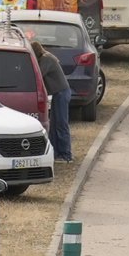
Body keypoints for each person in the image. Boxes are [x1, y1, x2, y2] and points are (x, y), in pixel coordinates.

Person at [29, 32, 72, 163]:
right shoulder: (47, 57)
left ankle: (65, 154)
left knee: (61, 124)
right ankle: (57, 153)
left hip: (61, 93)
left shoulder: (46, 59)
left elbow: (39, 75)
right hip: (59, 93)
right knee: (54, 124)